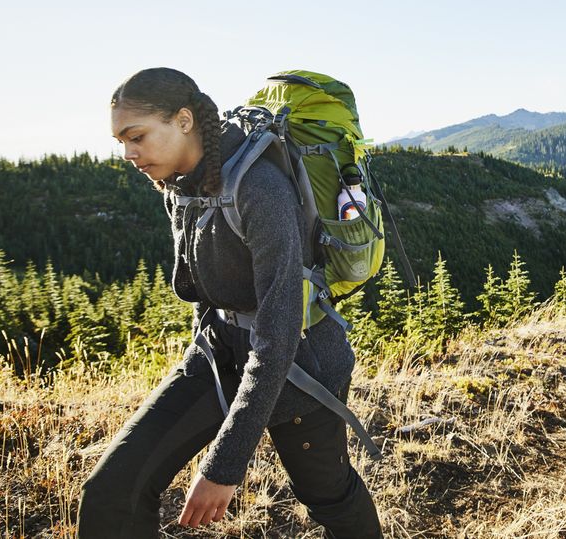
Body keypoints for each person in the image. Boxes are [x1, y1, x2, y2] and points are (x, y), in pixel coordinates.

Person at [79, 68, 381, 538]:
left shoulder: (259, 187)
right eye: (121, 140)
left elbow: (279, 333)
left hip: (301, 365)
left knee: (330, 497)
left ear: (183, 120)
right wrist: (199, 362)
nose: (128, 153)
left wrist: (224, 465)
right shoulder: (181, 186)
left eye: (136, 136)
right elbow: (205, 289)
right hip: (219, 354)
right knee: (112, 492)